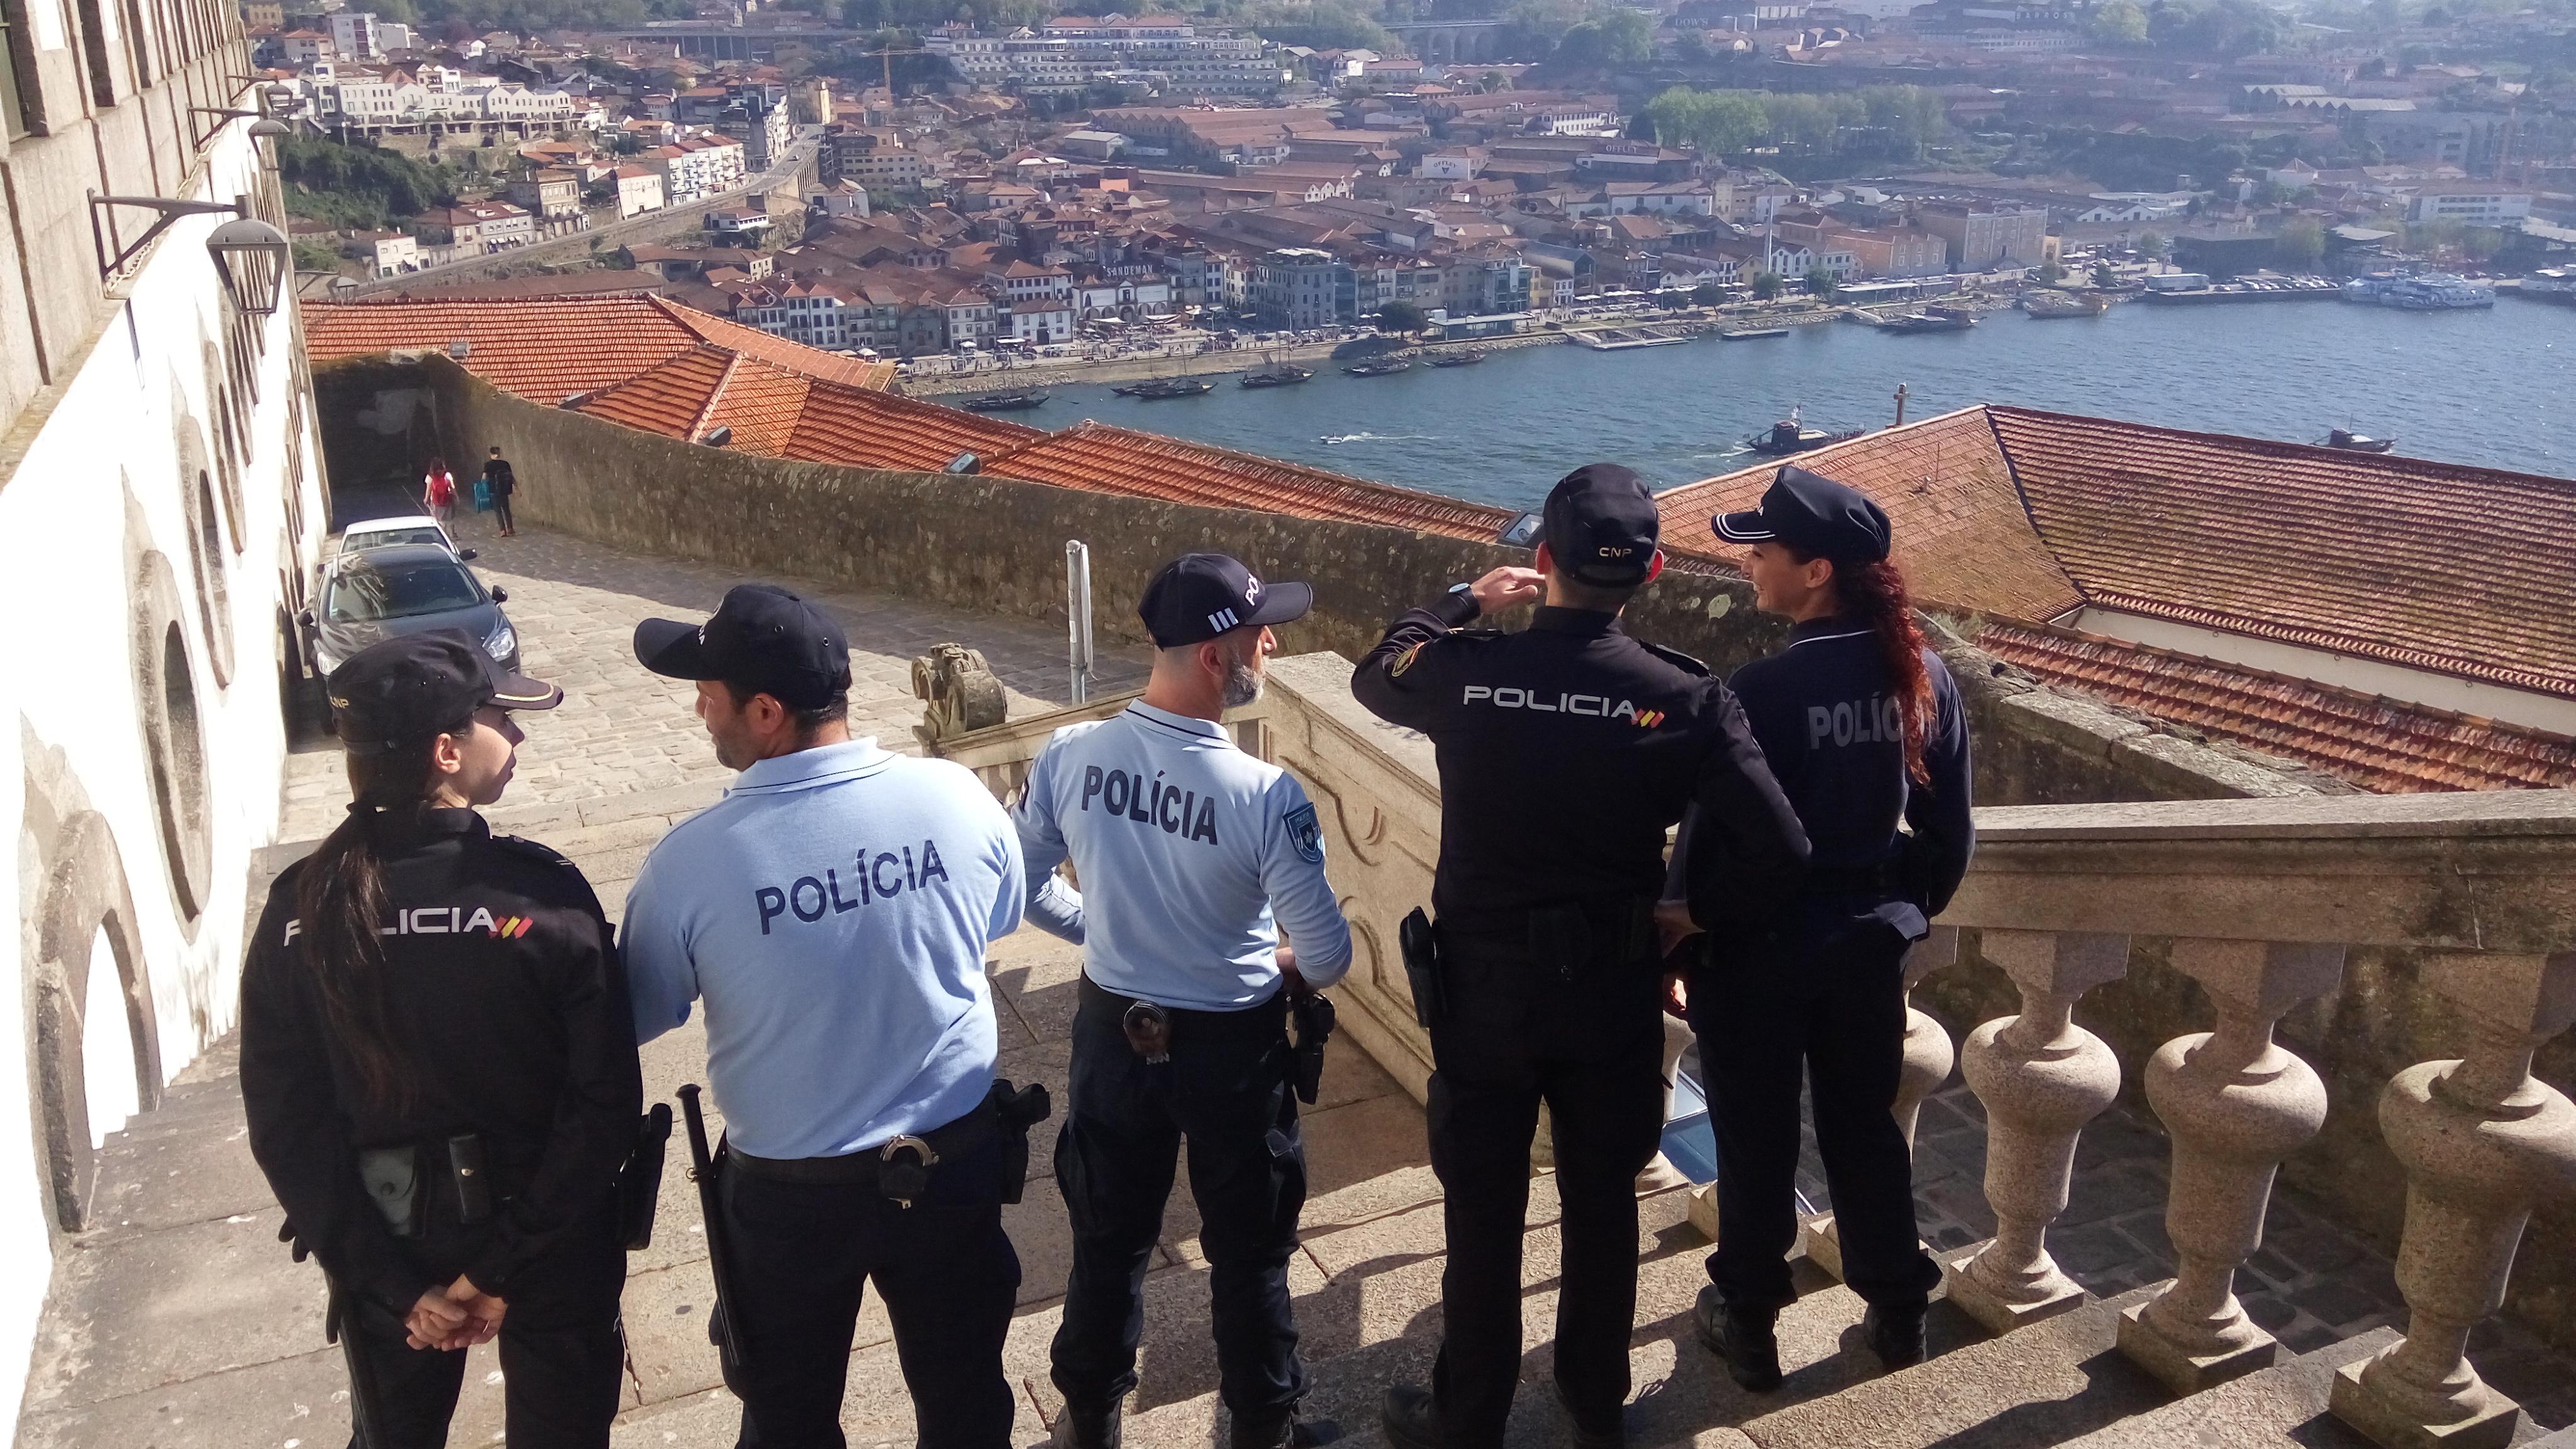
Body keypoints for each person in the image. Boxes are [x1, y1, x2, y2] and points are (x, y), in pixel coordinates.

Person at [1350, 465, 1810, 1449]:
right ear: (1646, 575)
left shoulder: (1466, 671)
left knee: (1484, 1214)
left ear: (1544, 559)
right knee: (1603, 1204)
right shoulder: (1682, 696)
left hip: (1483, 996)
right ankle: (1594, 1401)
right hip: (1611, 988)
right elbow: (1783, 846)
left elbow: (1376, 668)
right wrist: (1693, 917)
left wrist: (1465, 599)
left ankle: (1467, 1417)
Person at [619, 584, 1033, 1449]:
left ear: (766, 711)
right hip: (952, 1168)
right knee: (967, 1404)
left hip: (788, 1205)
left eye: (710, 690)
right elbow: (994, 921)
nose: (699, 705)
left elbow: (637, 1014)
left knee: (787, 1424)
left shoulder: (687, 866)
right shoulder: (958, 800)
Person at [240, 633, 642, 1449]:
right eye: (498, 714)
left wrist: (397, 1287)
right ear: (447, 751)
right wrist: (497, 1274)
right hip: (551, 1244)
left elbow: (287, 1123)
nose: (517, 734)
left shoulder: (298, 905)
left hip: (388, 1243)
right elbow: (602, 1103)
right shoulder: (538, 893)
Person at [1014, 553, 1353, 1449]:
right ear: (1215, 654)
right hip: (1231, 1052)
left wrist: (1109, 934)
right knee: (1249, 1250)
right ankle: (1264, 1429)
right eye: (1260, 631)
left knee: (1108, 1237)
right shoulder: (1263, 794)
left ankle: (1091, 1419)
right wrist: (1276, 959)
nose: (1272, 643)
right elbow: (1326, 956)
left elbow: (1018, 885)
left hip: (1109, 1032)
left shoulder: (1070, 752)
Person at [1679, 464, 1974, 1391]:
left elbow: (1714, 837)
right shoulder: (1923, 675)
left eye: (1761, 554)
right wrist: (1903, 909)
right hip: (1865, 944)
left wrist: (1683, 935)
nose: (1749, 569)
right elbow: (1949, 831)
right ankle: (1897, 1311)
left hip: (1761, 949)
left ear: (1815, 573)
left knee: (1756, 1135)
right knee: (1864, 1130)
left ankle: (1753, 1321)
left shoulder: (1762, 690)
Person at [482, 447, 518, 537]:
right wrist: (517, 487)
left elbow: (484, 478)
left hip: (494, 490)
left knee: (498, 511)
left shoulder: (488, 465)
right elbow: (511, 477)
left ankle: (502, 531)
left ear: (491, 454)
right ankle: (510, 529)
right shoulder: (505, 464)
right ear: (499, 454)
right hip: (505, 490)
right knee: (506, 510)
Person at [421, 455, 458, 530]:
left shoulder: (430, 476)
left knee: (438, 519)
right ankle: (452, 533)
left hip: (436, 502)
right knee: (449, 518)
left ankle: (442, 532)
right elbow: (452, 488)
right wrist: (456, 497)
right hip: (447, 500)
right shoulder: (447, 475)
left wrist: (426, 499)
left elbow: (429, 489)